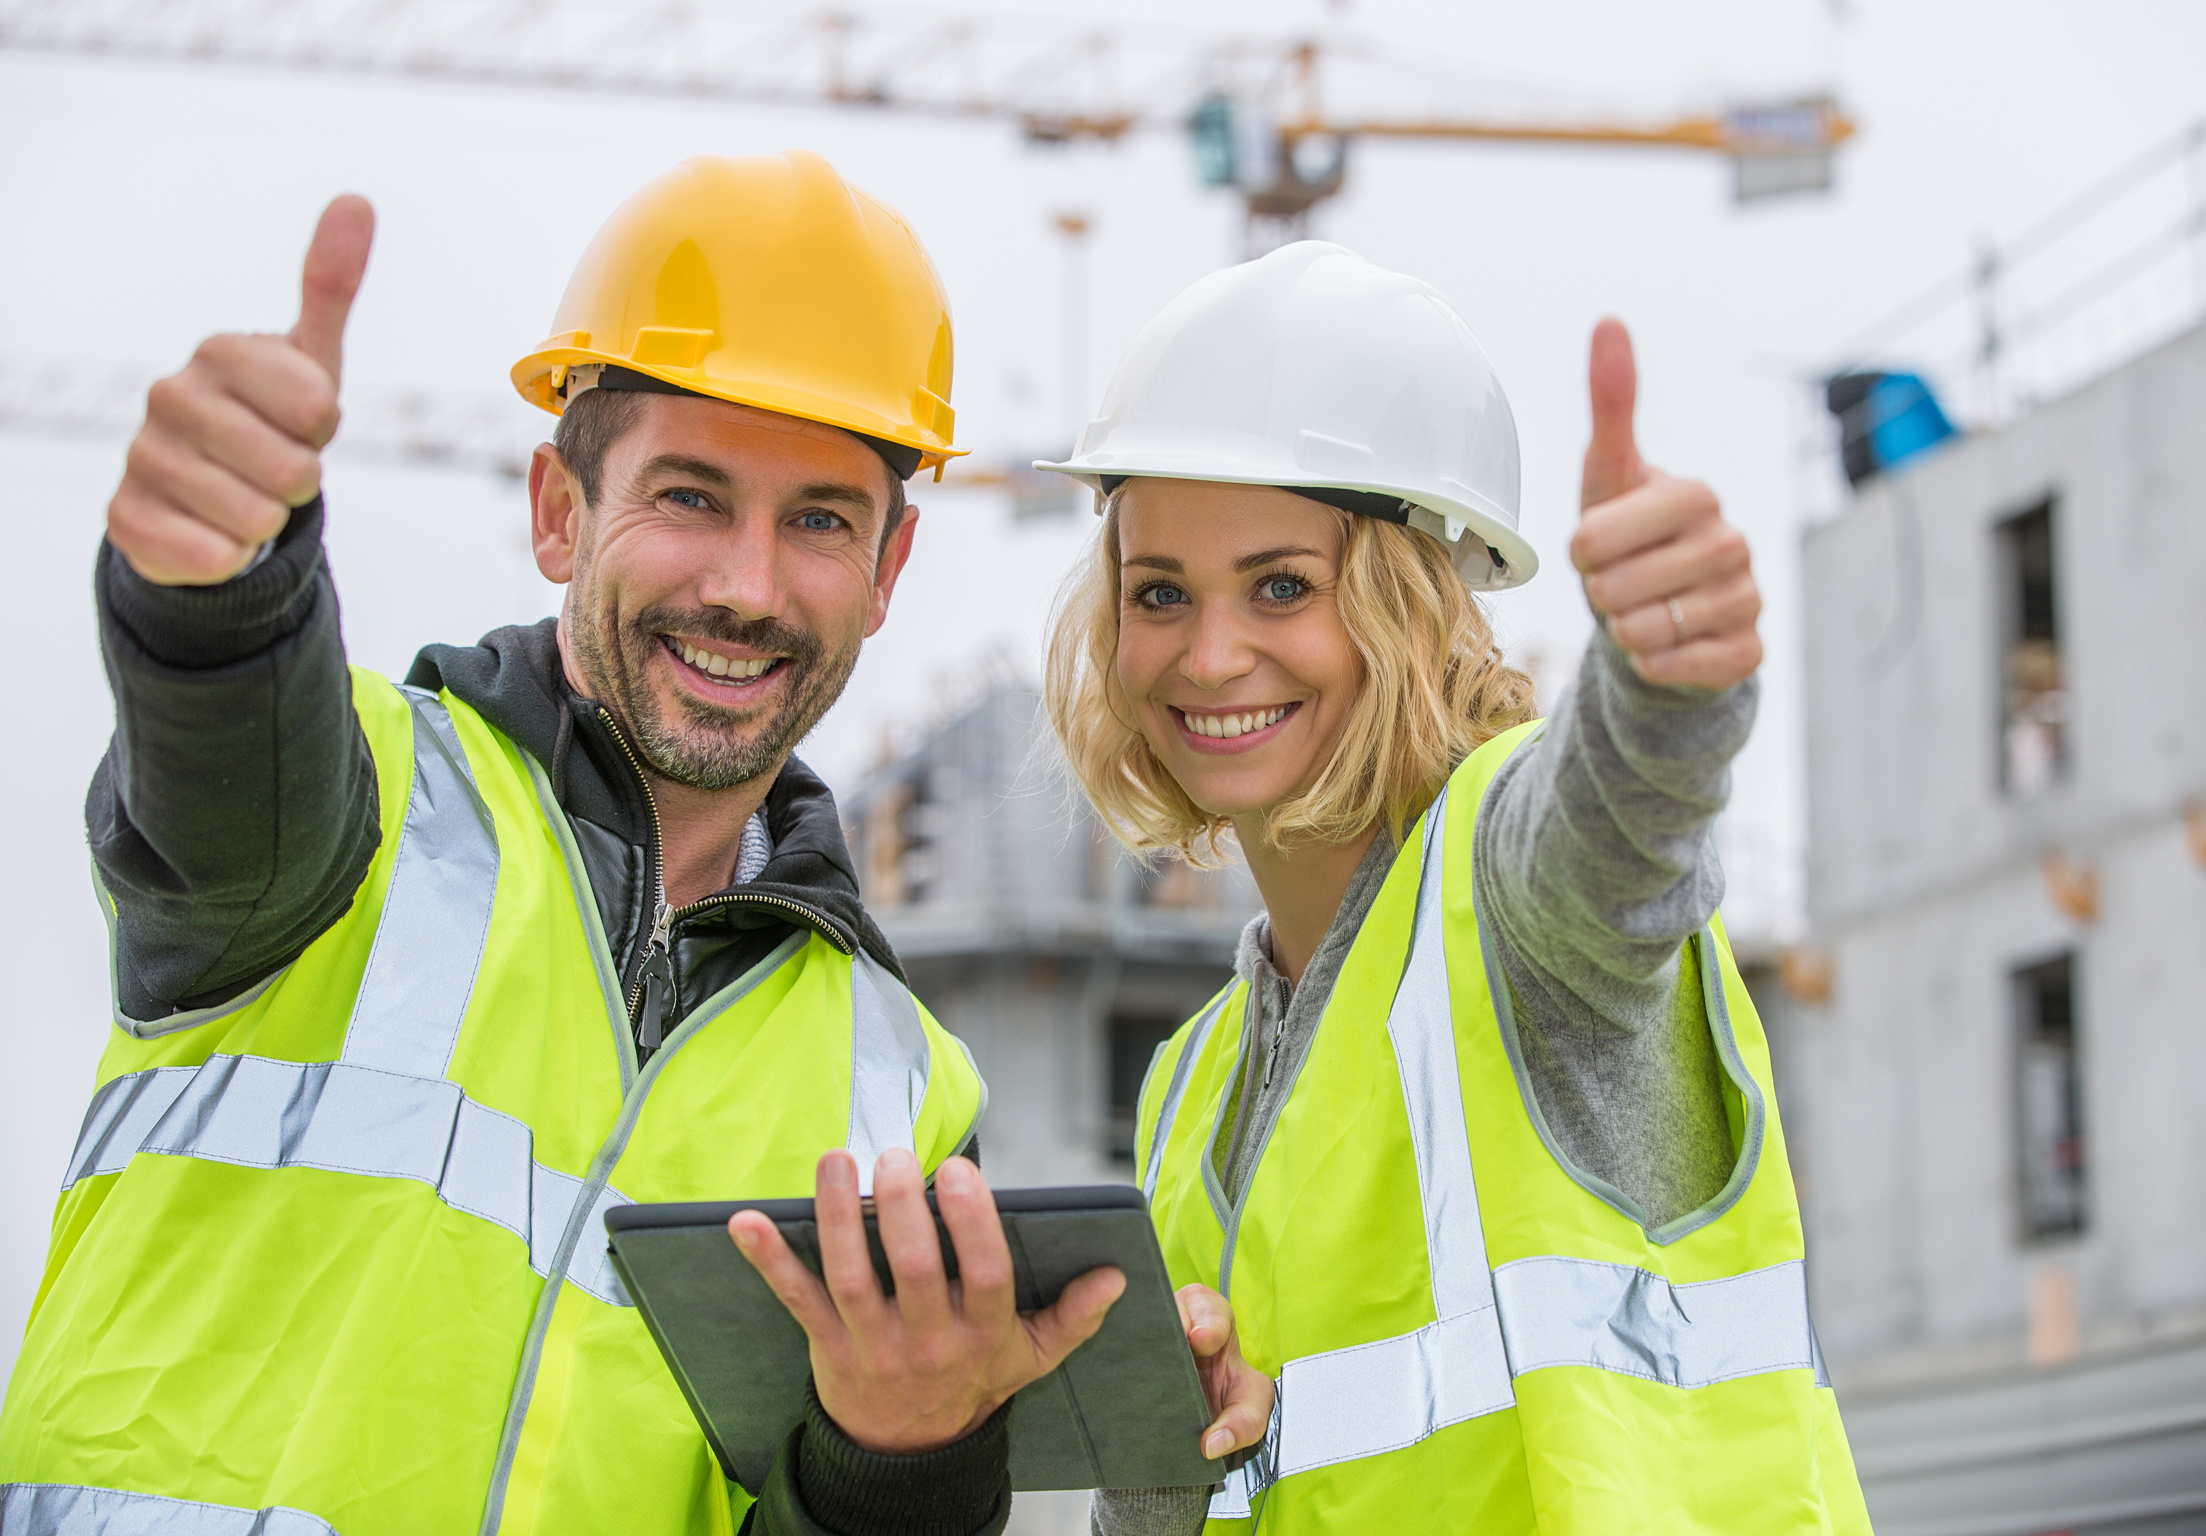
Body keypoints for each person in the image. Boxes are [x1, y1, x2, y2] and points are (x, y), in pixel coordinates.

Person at [0, 154, 1268, 1536]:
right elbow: (224, 730)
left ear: (889, 572)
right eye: (689, 497)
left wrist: (897, 1459)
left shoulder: (901, 1080)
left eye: (820, 522)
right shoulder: (348, 811)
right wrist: (221, 586)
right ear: (558, 512)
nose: (746, 586)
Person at [1037, 243, 1872, 1533]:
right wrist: (1163, 1462)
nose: (1208, 654)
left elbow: (1620, 842)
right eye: (1160, 593)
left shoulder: (1513, 898)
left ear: (1412, 604)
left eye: (1282, 586)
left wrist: (1665, 687)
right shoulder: (1188, 1095)